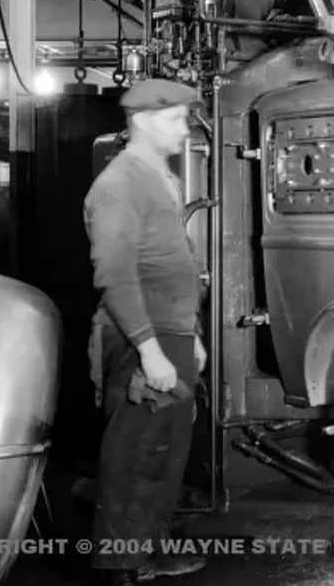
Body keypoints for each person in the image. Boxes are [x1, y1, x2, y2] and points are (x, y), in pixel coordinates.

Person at [85, 78, 207, 585]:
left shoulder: (161, 177)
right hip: (142, 337)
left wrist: (190, 333)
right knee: (134, 456)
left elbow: (171, 262)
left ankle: (146, 553)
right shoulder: (120, 185)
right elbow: (115, 275)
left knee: (163, 450)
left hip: (168, 333)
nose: (185, 129)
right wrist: (150, 352)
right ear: (142, 120)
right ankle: (120, 569)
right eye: (177, 119)